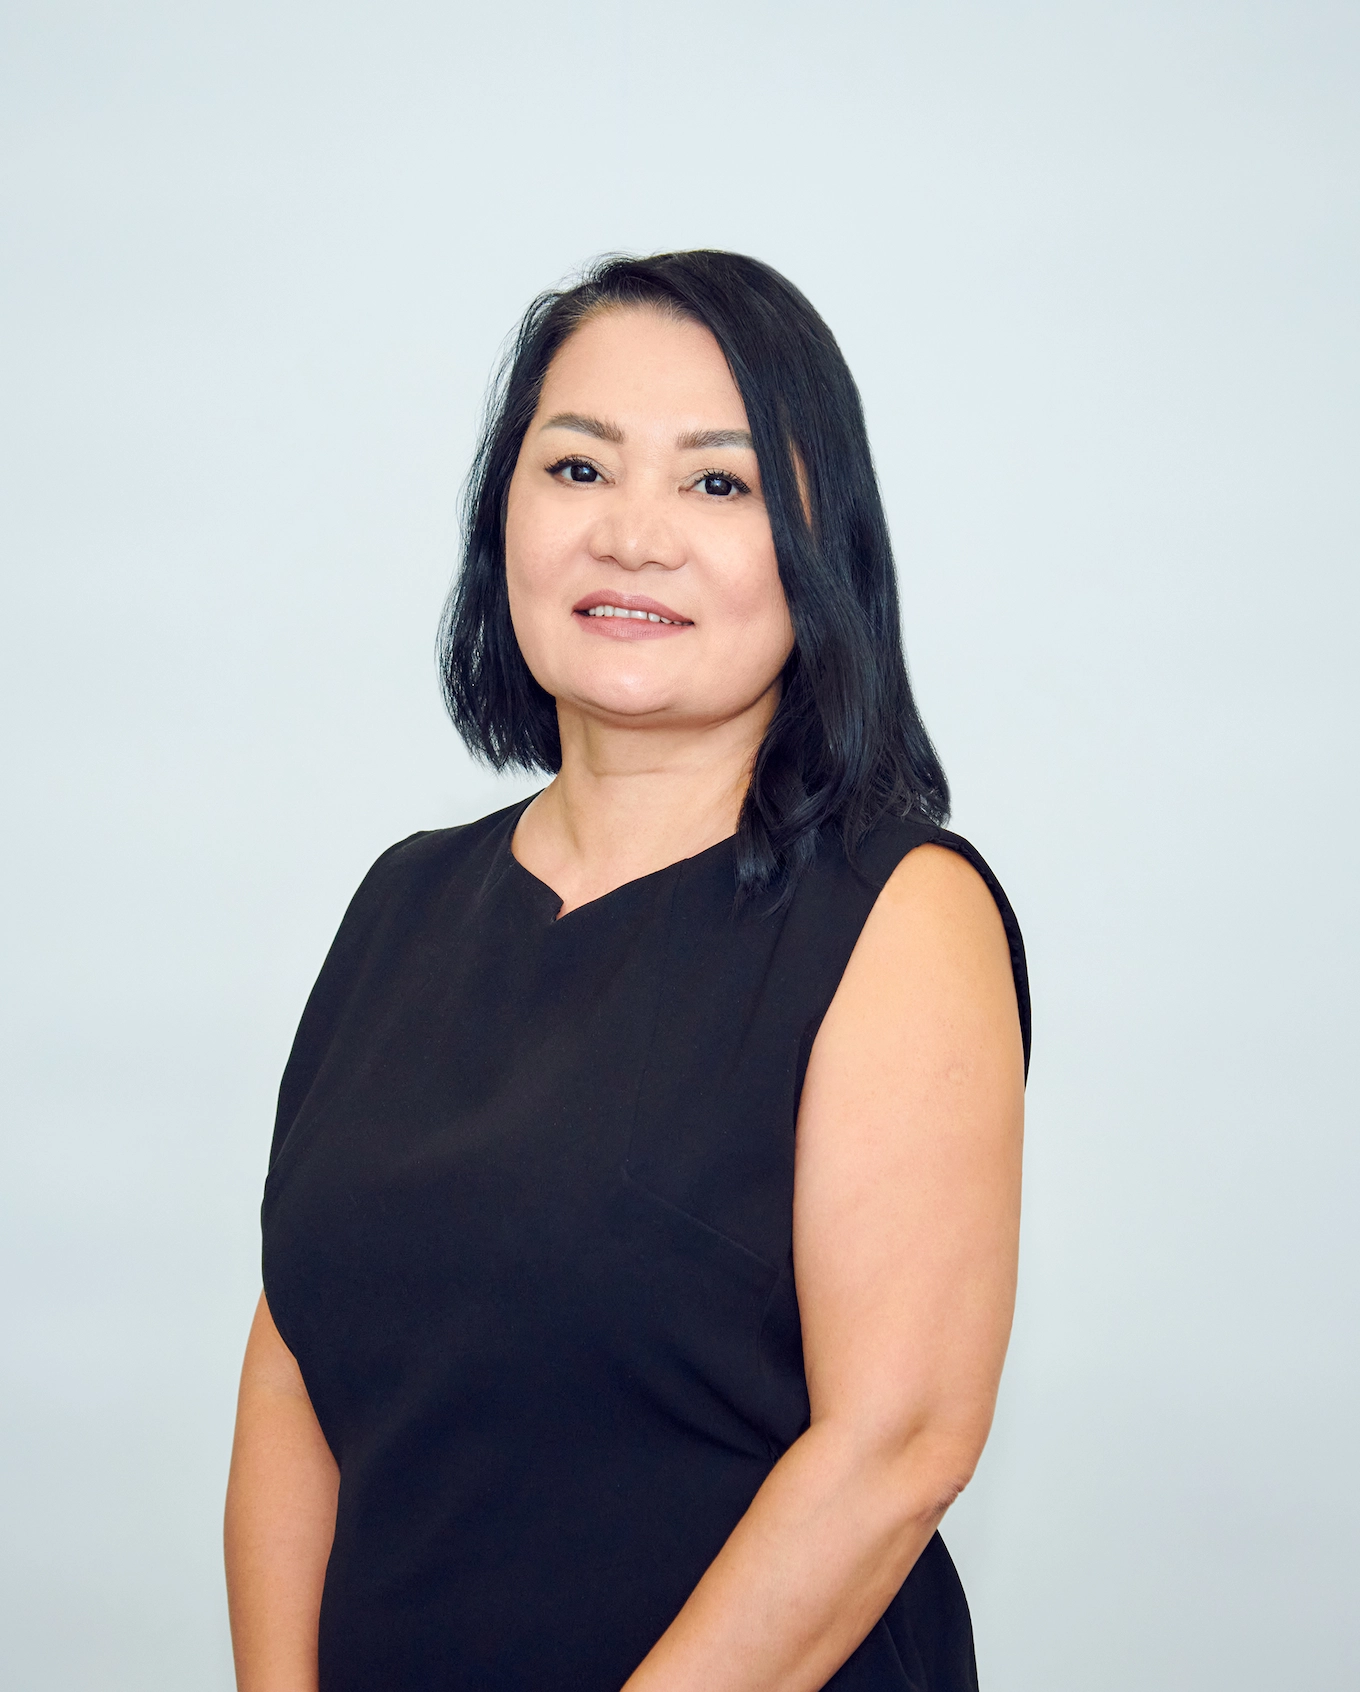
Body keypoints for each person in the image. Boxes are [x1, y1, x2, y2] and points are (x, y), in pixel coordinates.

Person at [223, 250, 1029, 1692]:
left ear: (820, 547)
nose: (633, 535)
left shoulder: (901, 912)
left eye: (718, 482)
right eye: (579, 468)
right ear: (506, 516)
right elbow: (298, 1364)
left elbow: (897, 1447)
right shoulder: (403, 901)